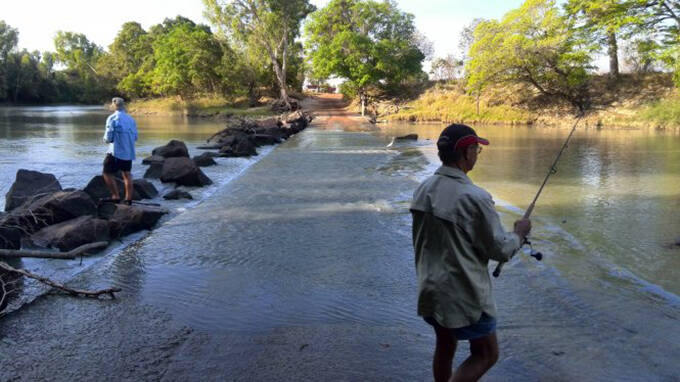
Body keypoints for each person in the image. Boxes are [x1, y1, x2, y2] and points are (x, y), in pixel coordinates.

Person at [410, 124, 532, 382]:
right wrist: (519, 234)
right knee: (486, 353)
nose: (477, 153)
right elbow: (499, 249)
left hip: (430, 289)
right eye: (476, 149)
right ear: (465, 153)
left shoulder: (423, 189)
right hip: (464, 295)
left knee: (445, 345)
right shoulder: (475, 197)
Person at [102, 97, 138, 205]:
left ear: (114, 106)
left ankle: (115, 196)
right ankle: (128, 199)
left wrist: (105, 140)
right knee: (127, 175)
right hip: (128, 152)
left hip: (115, 152)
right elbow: (135, 137)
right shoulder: (131, 119)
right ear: (123, 106)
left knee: (106, 173)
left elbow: (108, 138)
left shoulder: (112, 118)